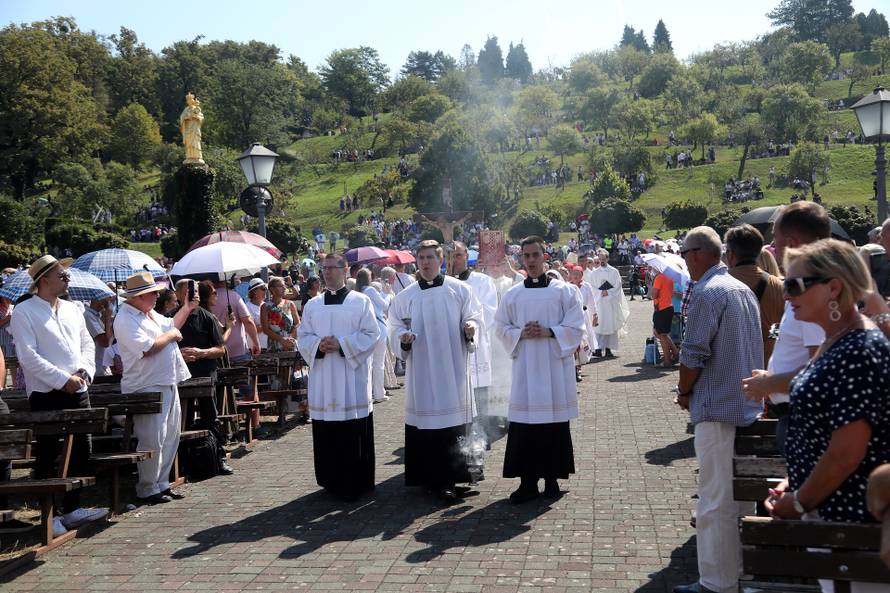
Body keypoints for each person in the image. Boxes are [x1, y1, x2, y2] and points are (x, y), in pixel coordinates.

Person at [764, 240, 890, 593]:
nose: (786, 295)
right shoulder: (837, 339)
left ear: (833, 287)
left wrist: (800, 500)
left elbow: (847, 452)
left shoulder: (859, 349)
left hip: (854, 527)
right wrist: (795, 481)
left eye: (794, 285)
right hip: (835, 519)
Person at [673, 227, 764, 593]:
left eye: (684, 254)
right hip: (746, 405)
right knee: (738, 501)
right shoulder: (741, 289)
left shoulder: (708, 292)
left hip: (717, 407)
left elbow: (692, 354)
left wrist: (684, 390)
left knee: (713, 500)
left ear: (697, 253)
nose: (684, 261)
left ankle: (715, 582)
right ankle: (739, 573)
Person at [8, 255, 108, 535]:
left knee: (82, 450)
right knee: (48, 452)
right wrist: (63, 379)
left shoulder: (73, 308)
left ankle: (72, 508)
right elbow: (28, 356)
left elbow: (87, 343)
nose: (67, 278)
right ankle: (48, 515)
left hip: (79, 389)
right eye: (61, 275)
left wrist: (85, 371)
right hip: (46, 392)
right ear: (44, 280)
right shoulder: (25, 311)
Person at [388, 240, 483, 503]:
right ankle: (429, 478)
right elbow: (393, 327)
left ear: (441, 261)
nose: (425, 262)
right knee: (427, 422)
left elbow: (475, 316)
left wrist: (471, 328)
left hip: (453, 368)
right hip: (423, 370)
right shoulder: (405, 297)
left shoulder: (459, 290)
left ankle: (453, 478)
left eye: (430, 257)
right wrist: (402, 338)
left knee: (453, 423)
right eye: (421, 258)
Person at [494, 236, 585, 503]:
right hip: (525, 370)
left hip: (554, 368)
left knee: (553, 426)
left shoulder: (565, 291)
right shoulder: (513, 294)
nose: (531, 260)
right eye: (527, 256)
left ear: (545, 257)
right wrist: (519, 334)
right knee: (525, 427)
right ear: (521, 258)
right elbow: (500, 327)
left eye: (536, 255)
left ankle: (552, 480)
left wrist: (550, 332)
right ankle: (527, 483)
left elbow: (576, 326)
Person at [742, 203, 831, 454]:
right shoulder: (809, 286)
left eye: (775, 239)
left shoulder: (813, 291)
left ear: (792, 243)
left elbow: (821, 368)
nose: (772, 246)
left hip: (806, 418)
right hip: (798, 414)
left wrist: (770, 382)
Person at [297, 254, 380, 501]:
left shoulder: (361, 301)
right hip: (323, 378)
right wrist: (318, 345)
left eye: (331, 268)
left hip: (350, 378)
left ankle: (357, 480)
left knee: (352, 430)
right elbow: (303, 336)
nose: (327, 272)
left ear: (345, 270)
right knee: (326, 431)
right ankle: (329, 479)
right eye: (324, 268)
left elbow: (372, 334)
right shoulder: (313, 305)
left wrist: (342, 344)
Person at [115, 271, 196, 504]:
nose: (157, 296)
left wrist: (187, 308)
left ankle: (161, 483)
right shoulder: (125, 319)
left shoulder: (149, 314)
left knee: (170, 436)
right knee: (152, 439)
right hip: (146, 386)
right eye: (152, 293)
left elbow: (171, 325)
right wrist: (171, 335)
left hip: (167, 380)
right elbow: (148, 348)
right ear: (138, 296)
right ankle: (147, 487)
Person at [170, 280, 233, 475]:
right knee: (183, 419)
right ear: (178, 294)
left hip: (205, 376)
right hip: (181, 378)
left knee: (211, 417)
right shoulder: (169, 319)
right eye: (189, 291)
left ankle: (218, 458)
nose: (194, 294)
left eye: (196, 291)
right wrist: (179, 355)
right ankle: (183, 461)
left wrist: (201, 353)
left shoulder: (207, 317)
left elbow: (221, 349)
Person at [451, 242, 501, 443]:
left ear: (466, 256)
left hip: (475, 347)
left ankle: (480, 436)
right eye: (450, 256)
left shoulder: (482, 281)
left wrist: (468, 322)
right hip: (451, 349)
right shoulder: (441, 284)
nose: (454, 260)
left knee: (478, 394)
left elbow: (490, 312)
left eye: (458, 255)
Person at [725, 225, 784, 362]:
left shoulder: (718, 284)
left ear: (730, 254)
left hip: (732, 364)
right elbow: (781, 326)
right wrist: (770, 339)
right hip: (768, 364)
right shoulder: (778, 285)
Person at [355, 268, 391, 403]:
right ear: (368, 278)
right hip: (378, 329)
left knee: (368, 364)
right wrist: (387, 293)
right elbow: (384, 305)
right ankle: (379, 393)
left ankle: (368, 393)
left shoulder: (357, 292)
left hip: (366, 331)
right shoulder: (370, 290)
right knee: (378, 363)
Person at [209, 279, 261, 365]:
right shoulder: (234, 296)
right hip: (238, 351)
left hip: (216, 352)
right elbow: (248, 321)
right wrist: (256, 343)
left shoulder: (206, 299)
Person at [588, 249, 629, 357]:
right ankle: (597, 349)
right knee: (599, 325)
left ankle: (608, 349)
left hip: (611, 303)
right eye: (600, 259)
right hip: (599, 303)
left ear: (607, 259)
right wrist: (600, 292)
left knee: (610, 325)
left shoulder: (614, 271)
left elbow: (618, 285)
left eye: (603, 259)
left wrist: (609, 292)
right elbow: (591, 287)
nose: (601, 261)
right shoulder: (594, 273)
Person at [261, 277, 300, 353]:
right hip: (274, 347)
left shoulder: (290, 304)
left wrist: (290, 338)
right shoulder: (265, 307)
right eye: (281, 286)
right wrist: (282, 340)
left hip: (291, 344)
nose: (284, 288)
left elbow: (298, 323)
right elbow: (265, 329)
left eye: (284, 286)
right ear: (272, 289)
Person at [652, 272, 679, 367]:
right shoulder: (669, 277)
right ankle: (675, 352)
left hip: (662, 308)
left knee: (662, 335)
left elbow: (654, 295)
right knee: (661, 333)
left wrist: (653, 289)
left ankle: (667, 361)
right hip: (668, 307)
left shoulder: (659, 277)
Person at [84, 296, 115, 377]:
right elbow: (104, 342)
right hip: (97, 368)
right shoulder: (88, 315)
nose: (110, 301)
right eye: (108, 298)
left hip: (104, 365)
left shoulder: (98, 315)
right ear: (99, 299)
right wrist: (108, 318)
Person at [245, 278, 268, 351]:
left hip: (269, 345)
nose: (266, 290)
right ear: (254, 291)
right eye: (263, 288)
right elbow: (251, 329)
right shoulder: (247, 307)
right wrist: (269, 323)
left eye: (265, 288)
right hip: (256, 348)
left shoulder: (267, 305)